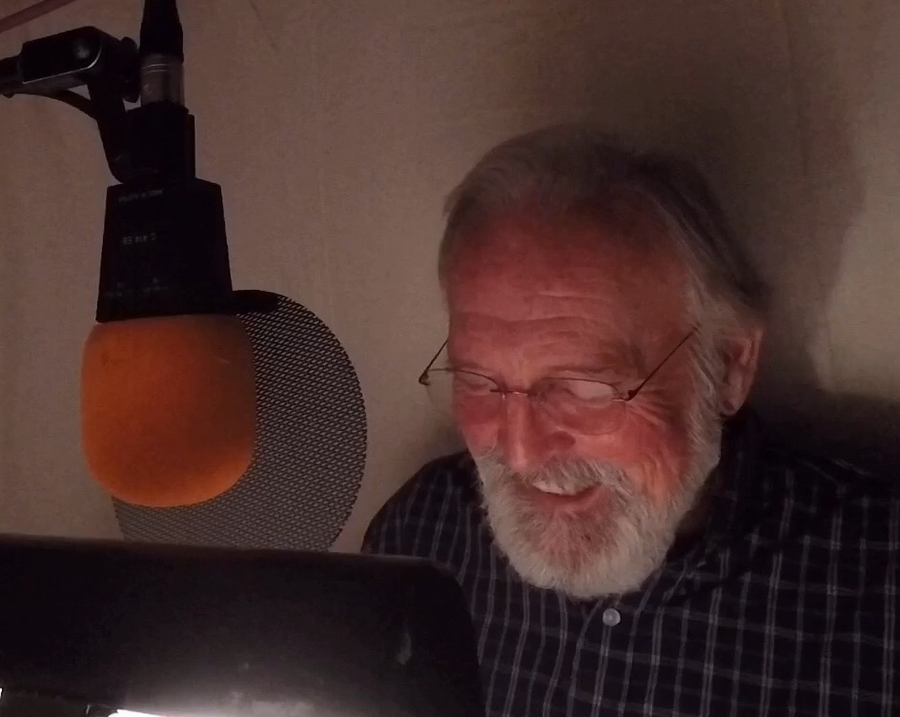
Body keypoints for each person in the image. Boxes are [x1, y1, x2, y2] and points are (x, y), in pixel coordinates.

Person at [362, 124, 899, 716]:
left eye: (586, 388)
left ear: (729, 365)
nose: (520, 452)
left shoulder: (878, 584)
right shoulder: (420, 537)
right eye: (480, 382)